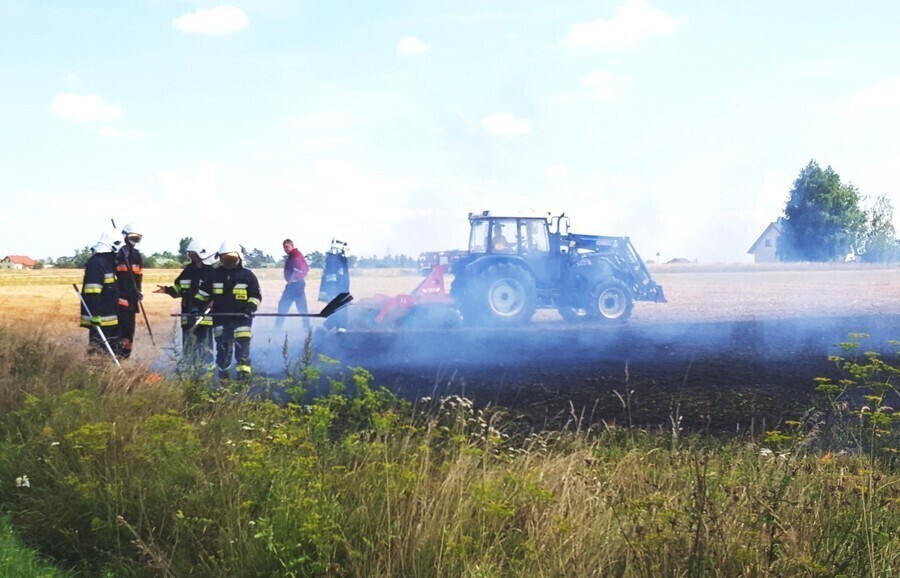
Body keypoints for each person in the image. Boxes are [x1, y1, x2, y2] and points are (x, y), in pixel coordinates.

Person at [194, 240, 261, 381]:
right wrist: (196, 307)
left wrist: (250, 307)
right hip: (220, 319)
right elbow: (203, 294)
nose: (229, 262)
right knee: (223, 350)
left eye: (231, 259)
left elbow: (256, 296)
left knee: (242, 350)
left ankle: (243, 380)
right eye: (225, 259)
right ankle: (223, 379)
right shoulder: (214, 275)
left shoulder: (248, 276)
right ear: (220, 259)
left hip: (242, 318)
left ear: (239, 258)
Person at [154, 238, 217, 366]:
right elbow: (180, 288)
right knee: (188, 347)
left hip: (204, 317)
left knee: (205, 346)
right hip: (187, 315)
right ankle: (189, 370)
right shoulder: (188, 270)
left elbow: (216, 292)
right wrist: (168, 290)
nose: (192, 257)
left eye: (194, 255)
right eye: (190, 255)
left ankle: (207, 373)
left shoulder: (212, 272)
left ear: (203, 254)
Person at [80, 229, 123, 356]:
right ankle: (92, 373)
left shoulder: (107, 263)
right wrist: (95, 315)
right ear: (113, 245)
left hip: (109, 319)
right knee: (97, 353)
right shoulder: (97, 263)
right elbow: (93, 292)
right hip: (100, 319)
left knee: (108, 353)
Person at [115, 222, 144, 359]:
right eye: (133, 236)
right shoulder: (116, 254)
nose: (135, 240)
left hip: (132, 302)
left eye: (138, 238)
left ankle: (125, 358)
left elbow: (139, 276)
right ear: (124, 236)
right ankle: (116, 356)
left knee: (129, 333)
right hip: (118, 302)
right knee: (118, 332)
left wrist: (139, 291)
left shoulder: (136, 255)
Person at [274, 238, 310, 331]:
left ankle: (277, 327)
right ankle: (306, 327)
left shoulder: (295, 255)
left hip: (296, 284)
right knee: (301, 306)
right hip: (295, 284)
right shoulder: (292, 255)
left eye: (287, 247)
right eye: (284, 247)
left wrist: (293, 279)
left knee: (285, 305)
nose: (285, 249)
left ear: (292, 246)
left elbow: (302, 268)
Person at [319, 239, 350, 332]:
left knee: (339, 312)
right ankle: (338, 333)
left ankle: (324, 329)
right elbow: (331, 280)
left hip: (341, 291)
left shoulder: (338, 260)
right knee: (342, 313)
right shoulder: (333, 261)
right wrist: (333, 294)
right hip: (336, 292)